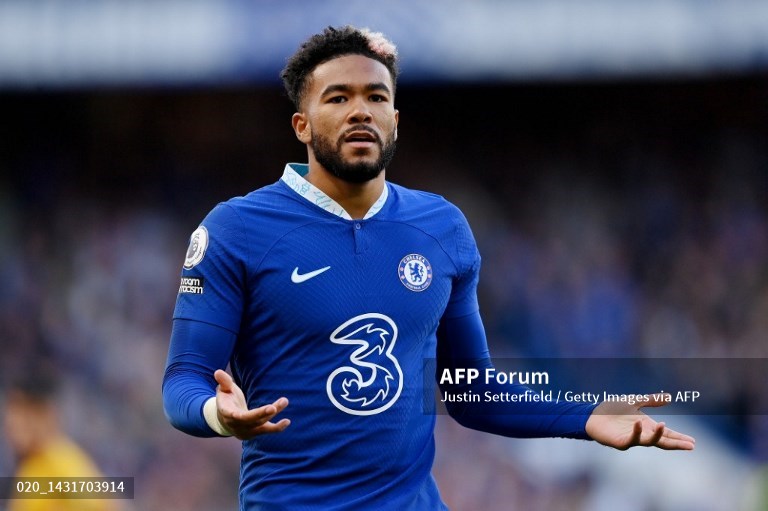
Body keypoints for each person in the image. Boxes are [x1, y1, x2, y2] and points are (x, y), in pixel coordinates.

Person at [162, 25, 695, 510]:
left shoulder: (441, 227)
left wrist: (585, 418)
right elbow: (183, 380)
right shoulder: (236, 229)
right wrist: (218, 414)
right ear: (302, 124)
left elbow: (473, 393)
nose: (360, 111)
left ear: (395, 120)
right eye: (338, 97)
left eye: (376, 97)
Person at [2, 374, 118, 511]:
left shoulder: (60, 462)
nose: (12, 423)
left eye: (21, 414)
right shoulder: (33, 466)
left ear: (45, 414)